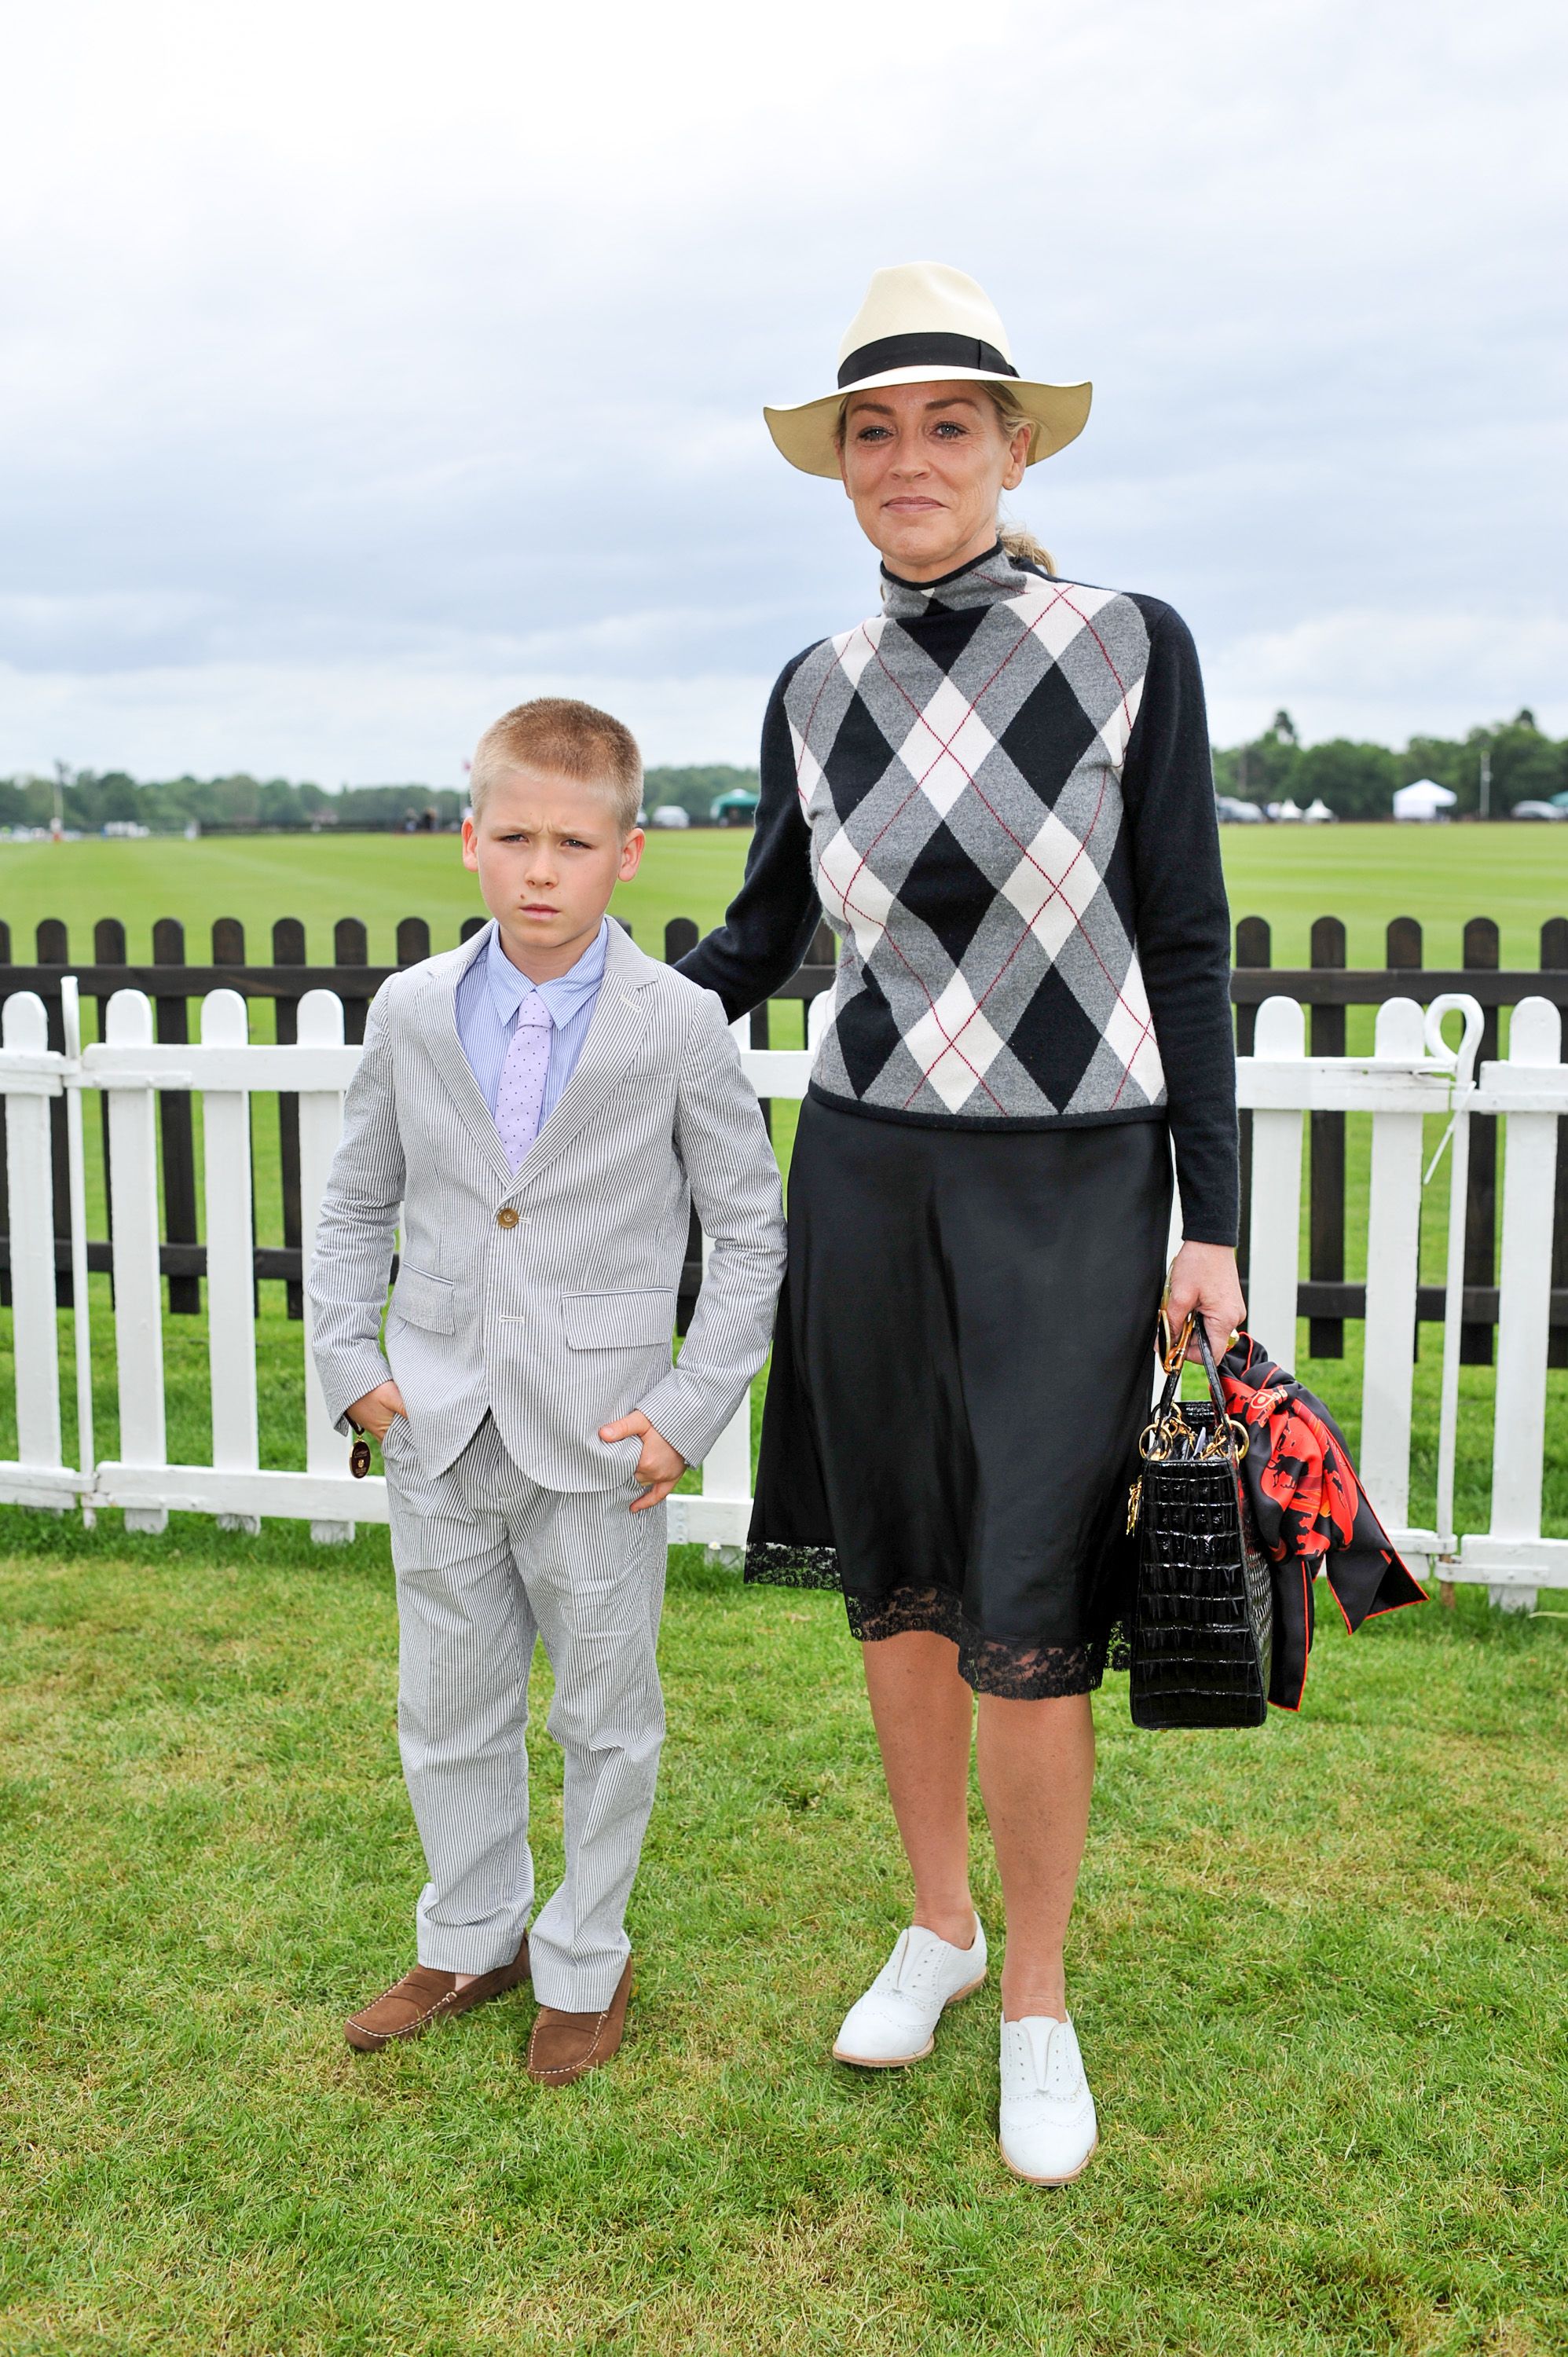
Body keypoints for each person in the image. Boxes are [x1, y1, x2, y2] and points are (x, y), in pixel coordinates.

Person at [679, 264, 1244, 2183]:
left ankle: (1036, 2004)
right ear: (838, 470)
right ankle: (936, 1923)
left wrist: (1211, 1222)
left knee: (1028, 1601)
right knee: (900, 1572)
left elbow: (1182, 941)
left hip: (1071, 1183)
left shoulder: (1125, 645)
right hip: (865, 1168)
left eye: (945, 424)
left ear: (1011, 448)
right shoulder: (811, 688)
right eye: (871, 430)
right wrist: (576, 1000)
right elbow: (762, 939)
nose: (906, 459)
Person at [308, 697, 785, 2084]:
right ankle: (469, 1937)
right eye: (512, 835)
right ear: (469, 840)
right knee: (447, 1700)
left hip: (604, 1435)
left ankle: (587, 1952)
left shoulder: (680, 1021)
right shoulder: (409, 1010)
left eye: (572, 843)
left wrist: (688, 1411)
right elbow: (354, 1206)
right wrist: (359, 1374)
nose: (539, 868)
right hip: (439, 1421)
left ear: (626, 855)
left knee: (603, 1711)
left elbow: (747, 1231)